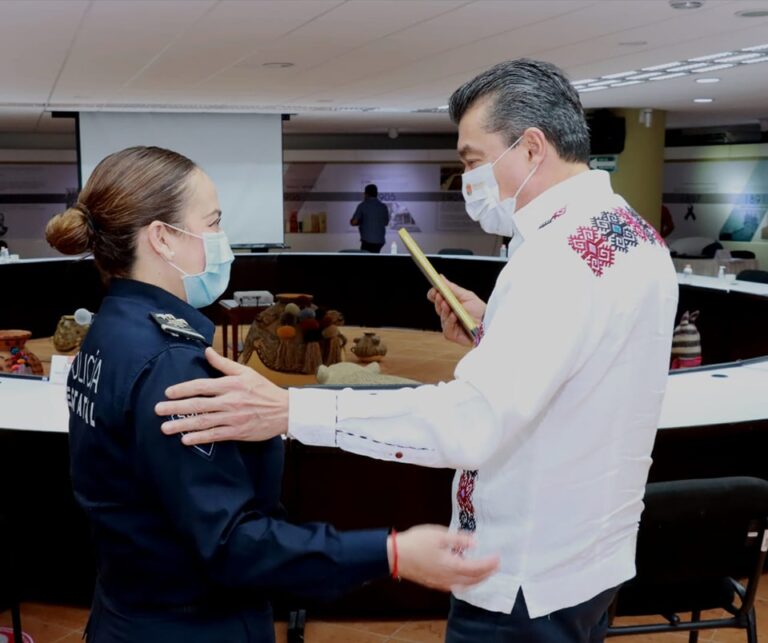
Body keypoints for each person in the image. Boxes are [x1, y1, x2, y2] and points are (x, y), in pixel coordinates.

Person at [157, 59, 678, 642]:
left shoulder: (555, 259)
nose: (468, 180)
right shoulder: (629, 232)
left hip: (523, 577)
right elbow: (585, 360)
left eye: (472, 160)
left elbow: (473, 420)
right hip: (589, 557)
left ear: (532, 149)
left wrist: (291, 410)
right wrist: (496, 330)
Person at [45, 146, 498, 643]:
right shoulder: (171, 363)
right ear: (162, 238)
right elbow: (231, 544)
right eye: (212, 223)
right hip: (192, 625)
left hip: (124, 613)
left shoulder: (110, 329)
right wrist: (391, 553)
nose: (222, 241)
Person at [350, 183, 390, 253]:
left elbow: (354, 222)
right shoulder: (383, 206)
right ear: (376, 194)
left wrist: (361, 221)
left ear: (366, 194)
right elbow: (386, 223)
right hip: (379, 241)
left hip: (367, 241)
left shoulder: (362, 205)